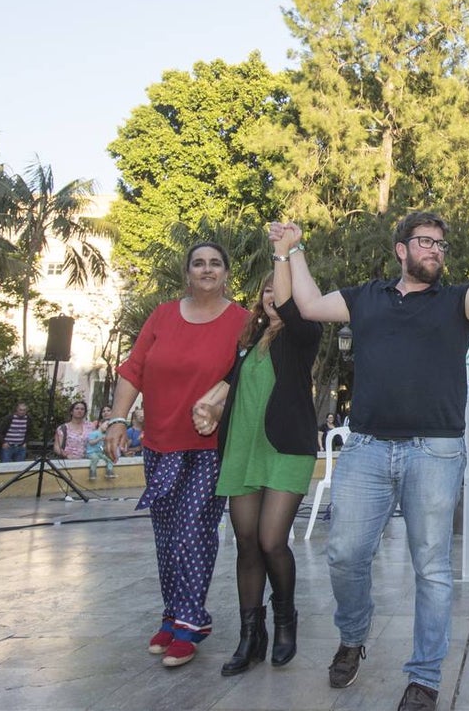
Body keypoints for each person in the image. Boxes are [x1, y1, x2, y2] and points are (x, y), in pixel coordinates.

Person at [278, 199, 469, 711]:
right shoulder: (365, 297)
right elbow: (307, 306)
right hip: (366, 447)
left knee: (432, 567)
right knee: (345, 553)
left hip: (435, 451)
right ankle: (353, 636)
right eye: (425, 242)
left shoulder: (456, 300)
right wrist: (293, 249)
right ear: (401, 250)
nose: (435, 250)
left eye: (440, 244)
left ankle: (425, 677)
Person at [104, 241, 249, 668]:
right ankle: (172, 613)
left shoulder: (242, 321)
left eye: (216, 264)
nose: (207, 270)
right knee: (166, 536)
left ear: (226, 272)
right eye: (199, 263)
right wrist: (116, 419)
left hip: (209, 446)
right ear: (187, 272)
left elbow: (246, 378)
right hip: (159, 442)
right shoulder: (163, 315)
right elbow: (134, 369)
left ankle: (191, 620)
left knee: (194, 530)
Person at [192, 262, 322, 677]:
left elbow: (296, 306)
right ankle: (251, 635)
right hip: (243, 449)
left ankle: (285, 622)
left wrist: (286, 256)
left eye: (279, 292)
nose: (273, 297)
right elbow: (230, 386)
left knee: (271, 541)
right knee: (246, 542)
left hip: (285, 450)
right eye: (267, 291)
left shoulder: (304, 335)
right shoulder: (247, 340)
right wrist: (209, 409)